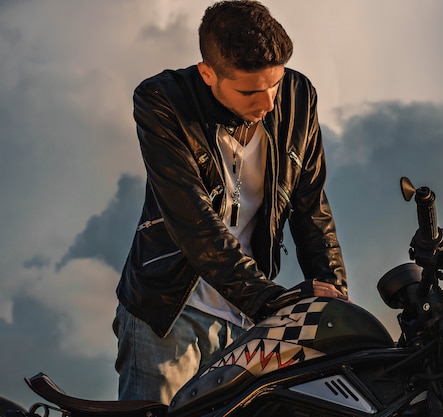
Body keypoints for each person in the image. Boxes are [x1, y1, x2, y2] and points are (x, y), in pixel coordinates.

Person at [113, 0, 347, 405]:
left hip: (250, 323)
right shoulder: (162, 102)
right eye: (249, 91)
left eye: (274, 84)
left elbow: (312, 209)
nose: (268, 102)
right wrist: (271, 301)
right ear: (208, 74)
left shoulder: (297, 97)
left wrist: (336, 303)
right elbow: (193, 221)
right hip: (169, 313)